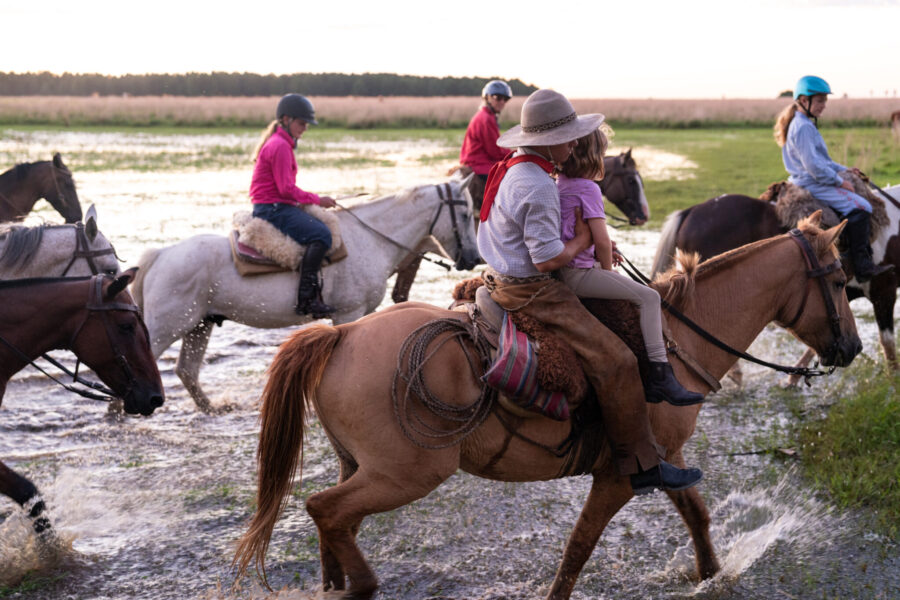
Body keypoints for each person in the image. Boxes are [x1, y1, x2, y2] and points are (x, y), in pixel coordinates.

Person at [477, 88, 703, 495]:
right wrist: (583, 241)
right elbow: (547, 261)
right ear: (547, 141)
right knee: (616, 359)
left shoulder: (516, 168)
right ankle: (641, 463)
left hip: (501, 275)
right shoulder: (539, 184)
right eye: (568, 137)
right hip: (531, 289)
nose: (576, 143)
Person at [556, 128, 704, 406]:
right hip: (578, 274)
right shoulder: (588, 188)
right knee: (649, 297)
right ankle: (661, 374)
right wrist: (606, 271)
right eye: (602, 152)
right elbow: (600, 238)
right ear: (593, 156)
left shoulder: (560, 182)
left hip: (566, 268)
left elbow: (570, 231)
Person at [775, 75, 893, 283]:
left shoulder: (803, 124)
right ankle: (862, 266)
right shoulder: (803, 128)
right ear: (804, 100)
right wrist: (840, 181)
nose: (824, 106)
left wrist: (847, 170)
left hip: (812, 178)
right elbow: (814, 167)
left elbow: (824, 161)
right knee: (863, 206)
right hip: (811, 182)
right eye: (820, 101)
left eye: (825, 101)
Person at [250, 93, 337, 317]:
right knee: (322, 235)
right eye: (301, 123)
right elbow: (286, 190)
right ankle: (307, 300)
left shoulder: (280, 143)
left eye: (307, 124)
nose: (305, 128)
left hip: (274, 204)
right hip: (272, 208)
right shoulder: (280, 146)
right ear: (286, 120)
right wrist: (318, 200)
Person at [459, 79, 513, 208]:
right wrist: (514, 153)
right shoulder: (486, 119)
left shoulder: (484, 115)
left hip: (476, 162)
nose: (501, 102)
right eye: (497, 97)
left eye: (505, 99)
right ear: (487, 98)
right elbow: (494, 151)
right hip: (479, 165)